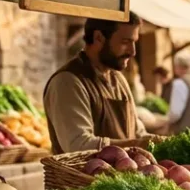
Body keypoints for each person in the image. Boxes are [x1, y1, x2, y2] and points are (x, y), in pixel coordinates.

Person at [44, 14, 150, 154]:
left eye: (134, 42)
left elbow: (137, 132)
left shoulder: (119, 80)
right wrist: (136, 144)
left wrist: (160, 142)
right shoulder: (68, 81)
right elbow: (79, 145)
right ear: (98, 37)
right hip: (83, 169)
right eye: (125, 42)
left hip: (125, 169)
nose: (132, 51)